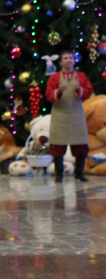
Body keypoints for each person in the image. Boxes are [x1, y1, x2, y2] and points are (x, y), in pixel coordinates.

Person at [46, 50, 94, 182]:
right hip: (59, 115)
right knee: (58, 144)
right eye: (65, 58)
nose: (68, 60)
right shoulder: (54, 78)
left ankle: (79, 173)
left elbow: (89, 91)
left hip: (76, 114)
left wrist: (79, 88)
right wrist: (58, 91)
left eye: (71, 58)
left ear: (74, 60)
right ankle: (59, 174)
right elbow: (49, 95)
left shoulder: (82, 76)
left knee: (80, 144)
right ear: (61, 62)